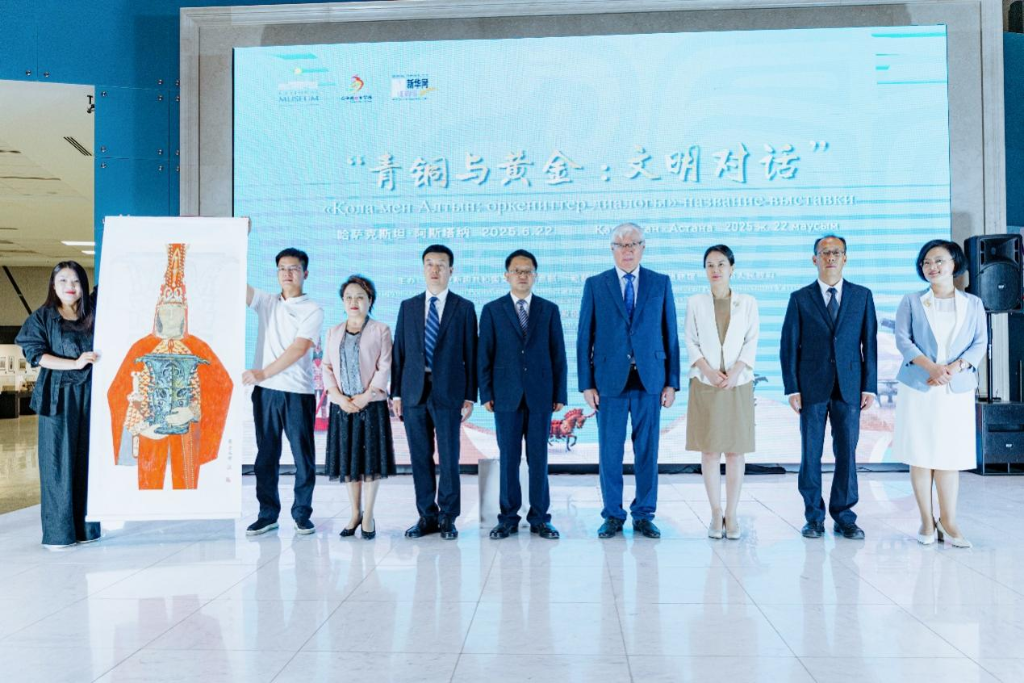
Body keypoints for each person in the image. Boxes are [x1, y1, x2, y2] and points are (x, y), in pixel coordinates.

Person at [577, 223, 680, 539]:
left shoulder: (660, 283)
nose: (627, 250)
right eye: (620, 244)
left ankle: (644, 514)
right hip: (609, 382)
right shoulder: (596, 284)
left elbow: (670, 334)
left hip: (650, 380)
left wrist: (672, 382)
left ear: (643, 247)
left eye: (633, 243)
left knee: (648, 451)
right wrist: (586, 384)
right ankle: (612, 514)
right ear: (612, 249)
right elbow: (584, 337)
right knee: (610, 452)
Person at [107, 243, 232, 490]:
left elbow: (223, 385)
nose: (172, 317)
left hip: (186, 428)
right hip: (150, 427)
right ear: (158, 313)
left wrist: (193, 411)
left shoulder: (198, 347)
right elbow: (117, 391)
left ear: (185, 313)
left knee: (186, 484)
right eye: (166, 311)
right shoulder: (141, 348)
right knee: (150, 485)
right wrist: (140, 425)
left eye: (177, 310)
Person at [780, 234, 877, 540]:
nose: (830, 257)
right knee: (810, 453)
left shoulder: (862, 296)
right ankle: (813, 517)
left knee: (847, 452)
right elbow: (788, 346)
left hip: (850, 387)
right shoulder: (800, 298)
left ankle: (845, 516)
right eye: (824, 253)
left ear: (845, 258)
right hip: (811, 388)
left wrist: (869, 386)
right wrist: (792, 388)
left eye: (836, 252)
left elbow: (869, 344)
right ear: (815, 259)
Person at [893, 240, 985, 548]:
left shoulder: (972, 303)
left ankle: (949, 521)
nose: (932, 267)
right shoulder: (912, 301)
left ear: (954, 264)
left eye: (939, 261)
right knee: (920, 455)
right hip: (920, 386)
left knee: (949, 455)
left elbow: (979, 342)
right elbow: (903, 340)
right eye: (926, 263)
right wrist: (932, 368)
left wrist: (953, 369)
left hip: (954, 389)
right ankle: (926, 520)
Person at [479, 249, 567, 540]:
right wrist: (486, 392)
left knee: (539, 458)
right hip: (505, 395)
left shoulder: (549, 309)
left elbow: (558, 354)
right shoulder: (492, 310)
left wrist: (559, 392)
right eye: (517, 271)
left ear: (535, 276)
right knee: (509, 459)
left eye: (528, 271)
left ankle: (541, 518)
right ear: (506, 276)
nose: (522, 275)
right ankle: (507, 518)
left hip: (541, 395)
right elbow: (484, 354)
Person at [392, 244, 478, 540]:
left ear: (451, 270)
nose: (435, 269)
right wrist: (396, 394)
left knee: (449, 455)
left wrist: (469, 395)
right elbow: (399, 352)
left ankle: (448, 516)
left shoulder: (464, 307)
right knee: (420, 456)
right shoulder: (408, 306)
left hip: (449, 391)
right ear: (423, 268)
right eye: (429, 263)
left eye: (441, 264)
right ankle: (426, 515)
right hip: (413, 391)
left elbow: (471, 353)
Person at [16, 261, 101, 549]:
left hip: (90, 395)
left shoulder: (93, 312)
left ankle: (86, 529)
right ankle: (58, 534)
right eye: (63, 280)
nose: (70, 286)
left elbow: (116, 283)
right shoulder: (43, 317)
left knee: (87, 461)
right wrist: (75, 363)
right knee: (58, 464)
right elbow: (37, 355)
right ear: (53, 286)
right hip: (58, 397)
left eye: (75, 280)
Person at [243, 248, 324, 536]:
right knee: (266, 455)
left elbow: (299, 348)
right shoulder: (266, 302)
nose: (287, 273)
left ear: (305, 273)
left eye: (293, 268)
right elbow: (237, 284)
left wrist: (263, 372)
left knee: (302, 456)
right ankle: (267, 514)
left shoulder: (312, 309)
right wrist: (241, 237)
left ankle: (302, 513)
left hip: (297, 392)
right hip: (265, 392)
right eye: (282, 268)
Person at [684, 245, 759, 540]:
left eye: (721, 264)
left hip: (737, 383)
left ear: (732, 268)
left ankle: (732, 513)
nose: (715, 270)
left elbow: (751, 340)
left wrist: (736, 371)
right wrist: (709, 371)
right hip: (706, 383)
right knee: (710, 450)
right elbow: (690, 341)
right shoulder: (695, 302)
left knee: (736, 450)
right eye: (710, 265)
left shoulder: (747, 302)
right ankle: (716, 512)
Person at [323, 275, 395, 540]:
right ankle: (354, 513)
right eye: (348, 297)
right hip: (342, 406)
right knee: (349, 462)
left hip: (370, 406)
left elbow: (384, 366)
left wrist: (367, 396)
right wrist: (338, 397)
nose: (354, 302)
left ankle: (368, 515)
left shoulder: (381, 330)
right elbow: (326, 367)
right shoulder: (333, 332)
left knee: (370, 462)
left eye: (360, 297)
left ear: (370, 300)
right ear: (343, 302)